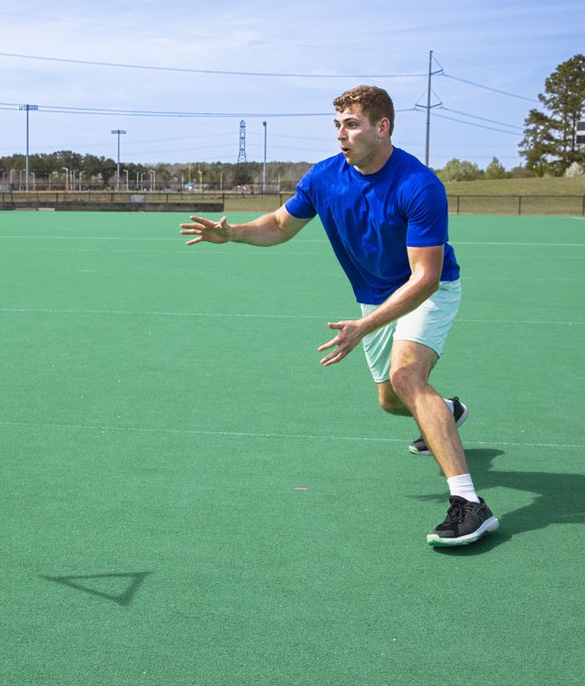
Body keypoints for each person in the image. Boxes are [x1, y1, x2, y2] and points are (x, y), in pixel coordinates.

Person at [179, 85, 498, 547]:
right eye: (337, 125)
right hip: (374, 296)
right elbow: (278, 225)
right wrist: (234, 234)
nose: (340, 135)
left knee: (407, 377)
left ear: (382, 127)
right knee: (392, 400)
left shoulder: (419, 184)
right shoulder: (324, 177)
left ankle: (469, 503)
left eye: (351, 124)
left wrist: (364, 327)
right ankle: (447, 412)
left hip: (427, 289)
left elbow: (425, 278)